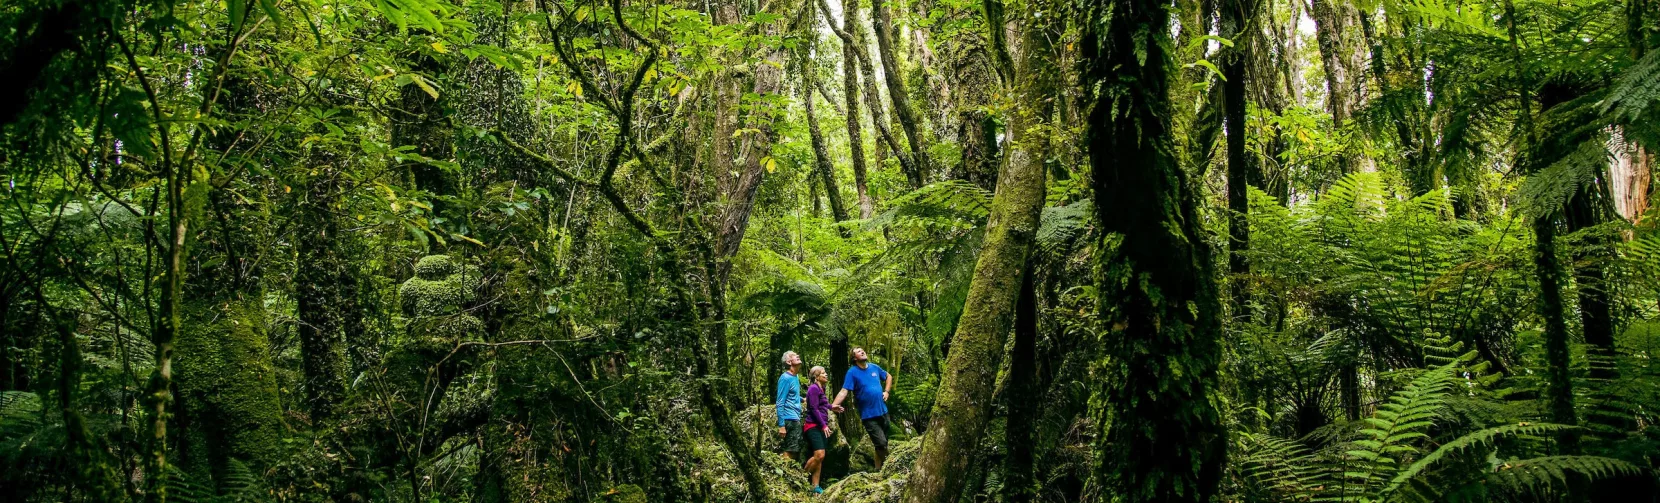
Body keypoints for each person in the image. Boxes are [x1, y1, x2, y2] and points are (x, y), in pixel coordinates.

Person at [830, 347, 894, 470]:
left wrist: (886, 391)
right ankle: (890, 467)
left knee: (882, 444)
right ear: (854, 358)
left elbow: (888, 376)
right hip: (868, 416)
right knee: (881, 444)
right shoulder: (852, 372)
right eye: (859, 351)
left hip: (883, 412)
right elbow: (844, 391)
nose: (863, 351)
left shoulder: (874, 367)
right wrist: (832, 405)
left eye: (862, 350)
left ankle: (877, 469)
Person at [802, 366, 834, 494]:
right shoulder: (813, 389)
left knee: (820, 457)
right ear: (816, 377)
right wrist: (824, 425)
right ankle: (801, 479)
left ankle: (815, 486)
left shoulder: (822, 388)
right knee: (819, 455)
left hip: (820, 427)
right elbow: (814, 409)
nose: (826, 375)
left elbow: (823, 404)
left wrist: (832, 407)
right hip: (813, 426)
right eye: (823, 373)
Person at [775, 351, 804, 461]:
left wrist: (802, 399)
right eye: (793, 356)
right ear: (788, 362)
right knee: (790, 450)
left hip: (795, 417)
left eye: (797, 354)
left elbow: (792, 394)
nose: (797, 356)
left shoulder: (795, 377)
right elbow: (780, 401)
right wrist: (781, 425)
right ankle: (782, 473)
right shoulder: (785, 378)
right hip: (789, 418)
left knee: (795, 449)